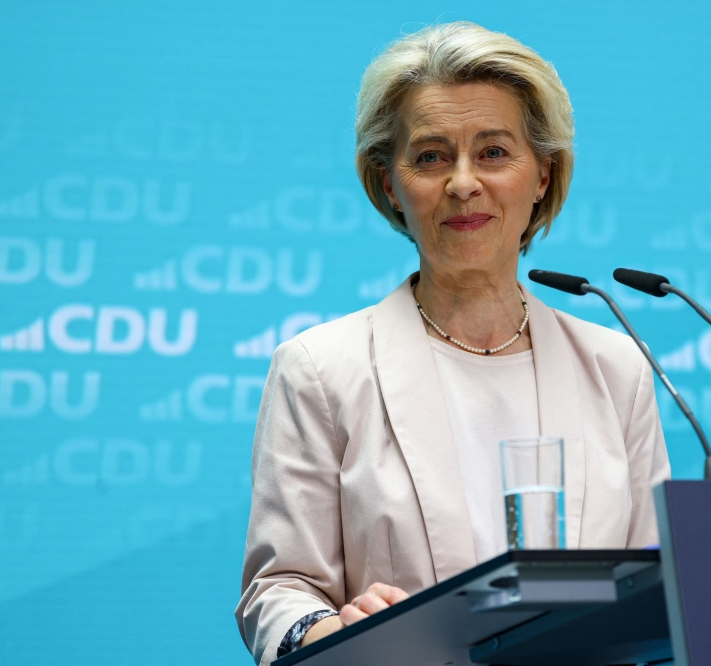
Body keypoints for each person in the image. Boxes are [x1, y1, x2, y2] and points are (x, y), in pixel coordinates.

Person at [236, 21, 671, 666]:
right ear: (390, 184)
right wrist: (322, 631)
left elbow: (655, 588)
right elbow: (279, 590)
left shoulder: (615, 367)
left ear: (544, 174)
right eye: (432, 156)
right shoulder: (322, 369)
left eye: (494, 152)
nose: (463, 182)